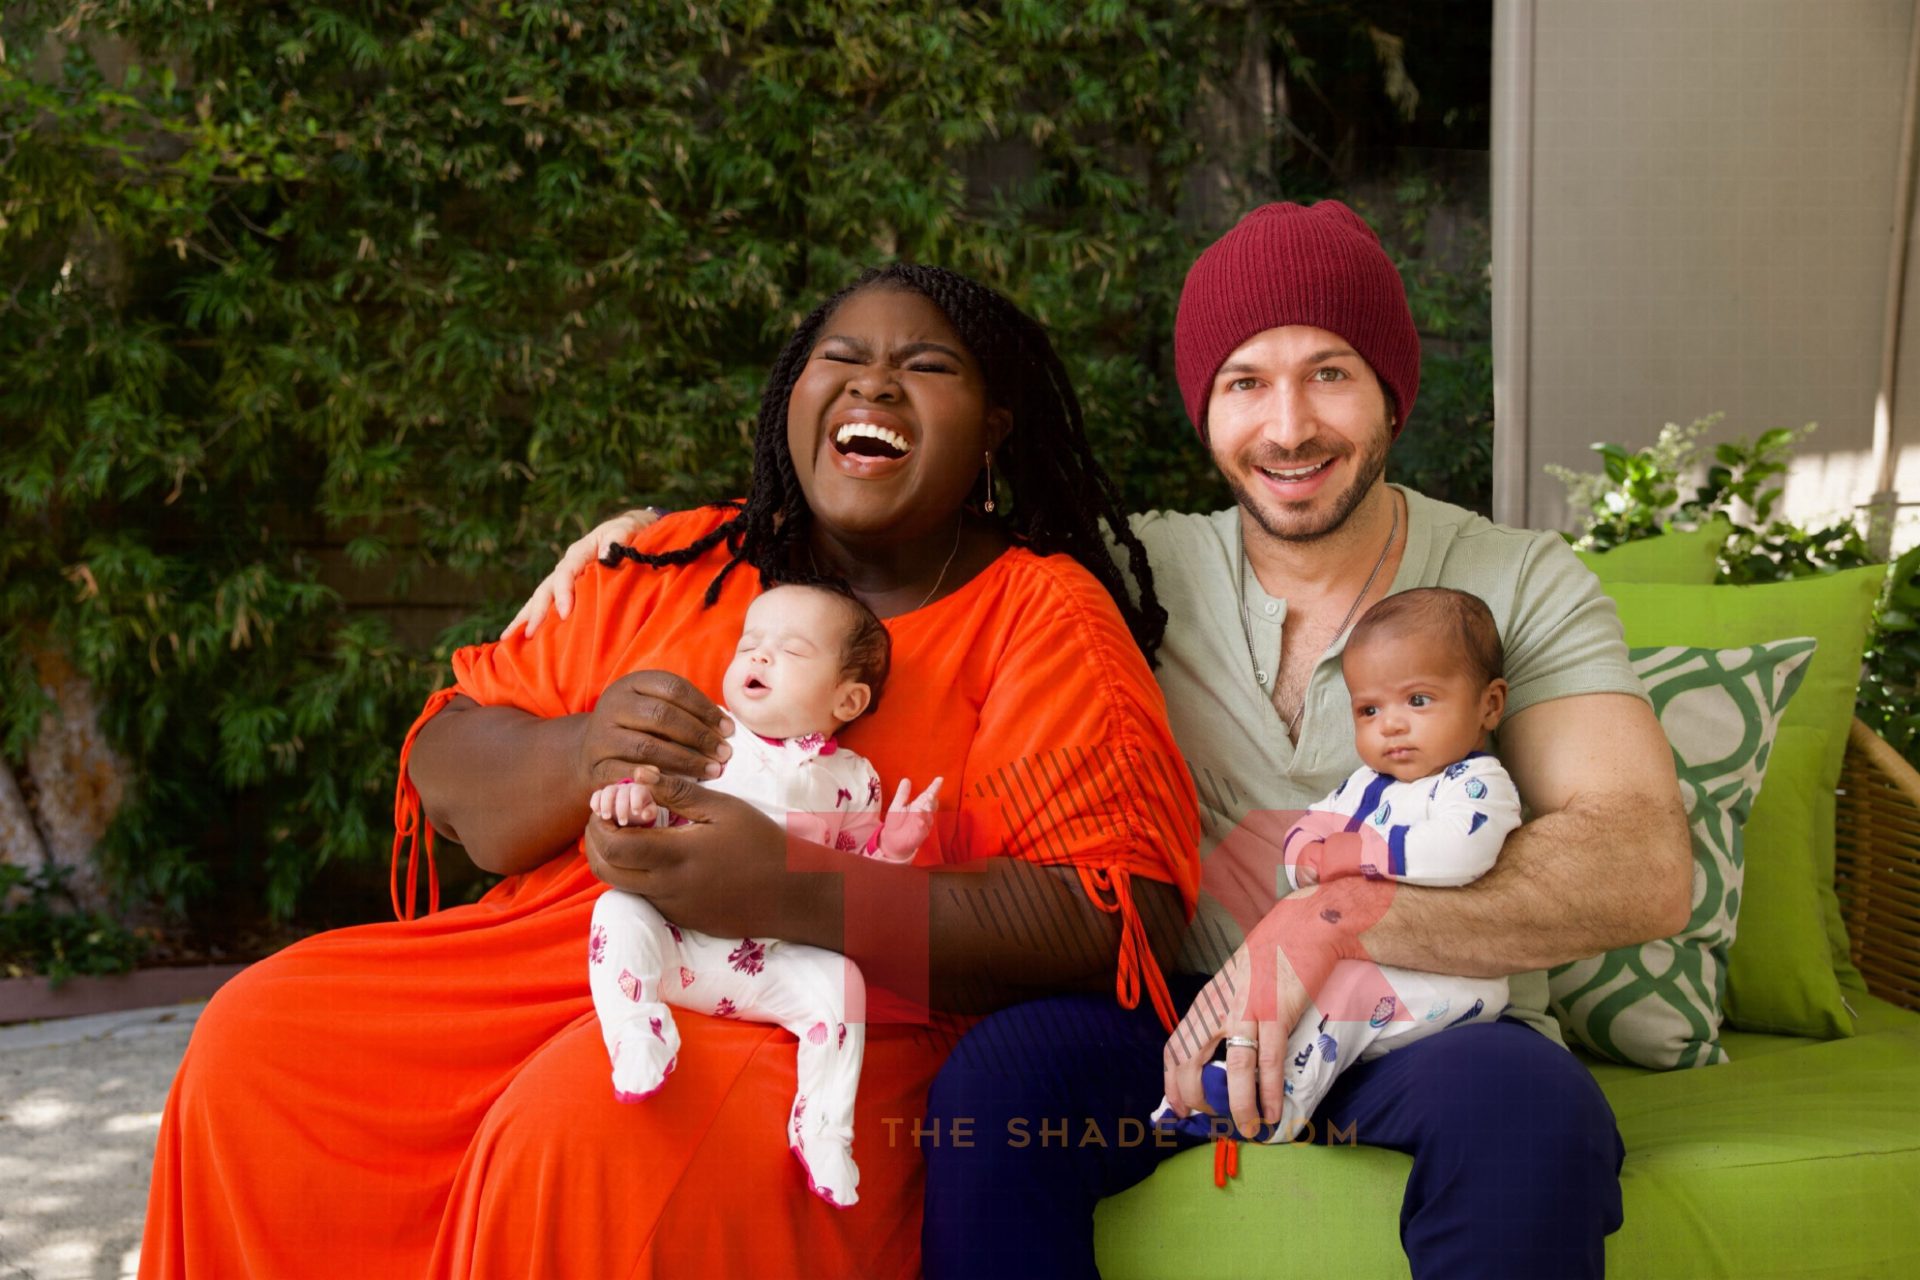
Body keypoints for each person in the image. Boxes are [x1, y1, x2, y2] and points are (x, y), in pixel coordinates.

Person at [509, 200, 1693, 1278]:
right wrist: (646, 538)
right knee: (996, 1092)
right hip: (1160, 1025)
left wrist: (1340, 916)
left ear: (1393, 390)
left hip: (1428, 1015)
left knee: (1536, 1118)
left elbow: (1639, 862)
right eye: (1244, 381)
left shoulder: (1518, 578)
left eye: (1330, 373)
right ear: (1203, 408)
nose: (1288, 425)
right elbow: (884, 511)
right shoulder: (1125, 573)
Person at [138, 264, 1201, 1279]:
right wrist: (581, 746)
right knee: (258, 1045)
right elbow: (445, 759)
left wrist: (790, 886)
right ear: (794, 399)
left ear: (994, 432)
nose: (876, 380)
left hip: (813, 1020)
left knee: (584, 1133)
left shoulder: (1039, 617)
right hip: (550, 965)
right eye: (842, 355)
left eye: (927, 365)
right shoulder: (675, 562)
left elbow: (1111, 920)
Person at [586, 581, 943, 1207]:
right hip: (676, 943)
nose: (758, 657)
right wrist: (633, 804)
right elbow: (655, 814)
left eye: (791, 650)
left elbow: (860, 882)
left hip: (768, 961)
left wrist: (898, 847)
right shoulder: (709, 744)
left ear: (849, 698)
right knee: (616, 910)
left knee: (840, 983)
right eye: (750, 644)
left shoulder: (855, 782)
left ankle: (824, 1127)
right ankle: (638, 1031)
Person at [1150, 586, 1517, 1146]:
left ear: (1489, 705)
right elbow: (1315, 822)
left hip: (1450, 978)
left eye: (1418, 701)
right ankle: (1196, 1092)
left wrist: (1361, 853)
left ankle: (1277, 1109)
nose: (1390, 725)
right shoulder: (1368, 784)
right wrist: (1305, 857)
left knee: (1347, 993)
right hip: (1374, 956)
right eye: (1370, 709)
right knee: (1291, 985)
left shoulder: (1477, 784)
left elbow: (1461, 852)